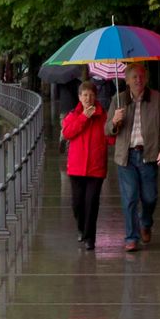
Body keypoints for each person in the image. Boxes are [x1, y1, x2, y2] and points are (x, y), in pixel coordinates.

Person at [105, 62, 160, 252]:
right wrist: (114, 121)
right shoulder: (118, 100)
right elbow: (107, 130)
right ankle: (131, 237)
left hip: (148, 155)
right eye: (134, 77)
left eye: (141, 76)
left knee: (150, 197)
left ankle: (146, 222)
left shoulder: (157, 99)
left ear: (146, 79)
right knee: (130, 198)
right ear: (126, 80)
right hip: (126, 157)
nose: (138, 80)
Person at [62, 81, 109, 250]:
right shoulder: (73, 114)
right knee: (77, 203)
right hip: (76, 167)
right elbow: (67, 133)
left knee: (92, 203)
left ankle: (90, 237)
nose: (88, 98)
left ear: (95, 96)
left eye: (91, 95)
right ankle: (81, 228)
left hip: (96, 166)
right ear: (79, 97)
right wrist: (84, 118)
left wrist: (116, 124)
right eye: (84, 95)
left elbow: (110, 139)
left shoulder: (102, 115)